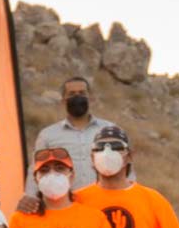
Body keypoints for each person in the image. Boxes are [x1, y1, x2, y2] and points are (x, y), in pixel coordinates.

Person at [17, 77, 117, 213]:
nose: (77, 97)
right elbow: (36, 167)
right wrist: (30, 197)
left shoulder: (109, 130)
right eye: (71, 94)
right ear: (63, 100)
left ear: (90, 97)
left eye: (82, 93)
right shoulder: (48, 135)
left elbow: (124, 164)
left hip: (104, 203)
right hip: (65, 206)